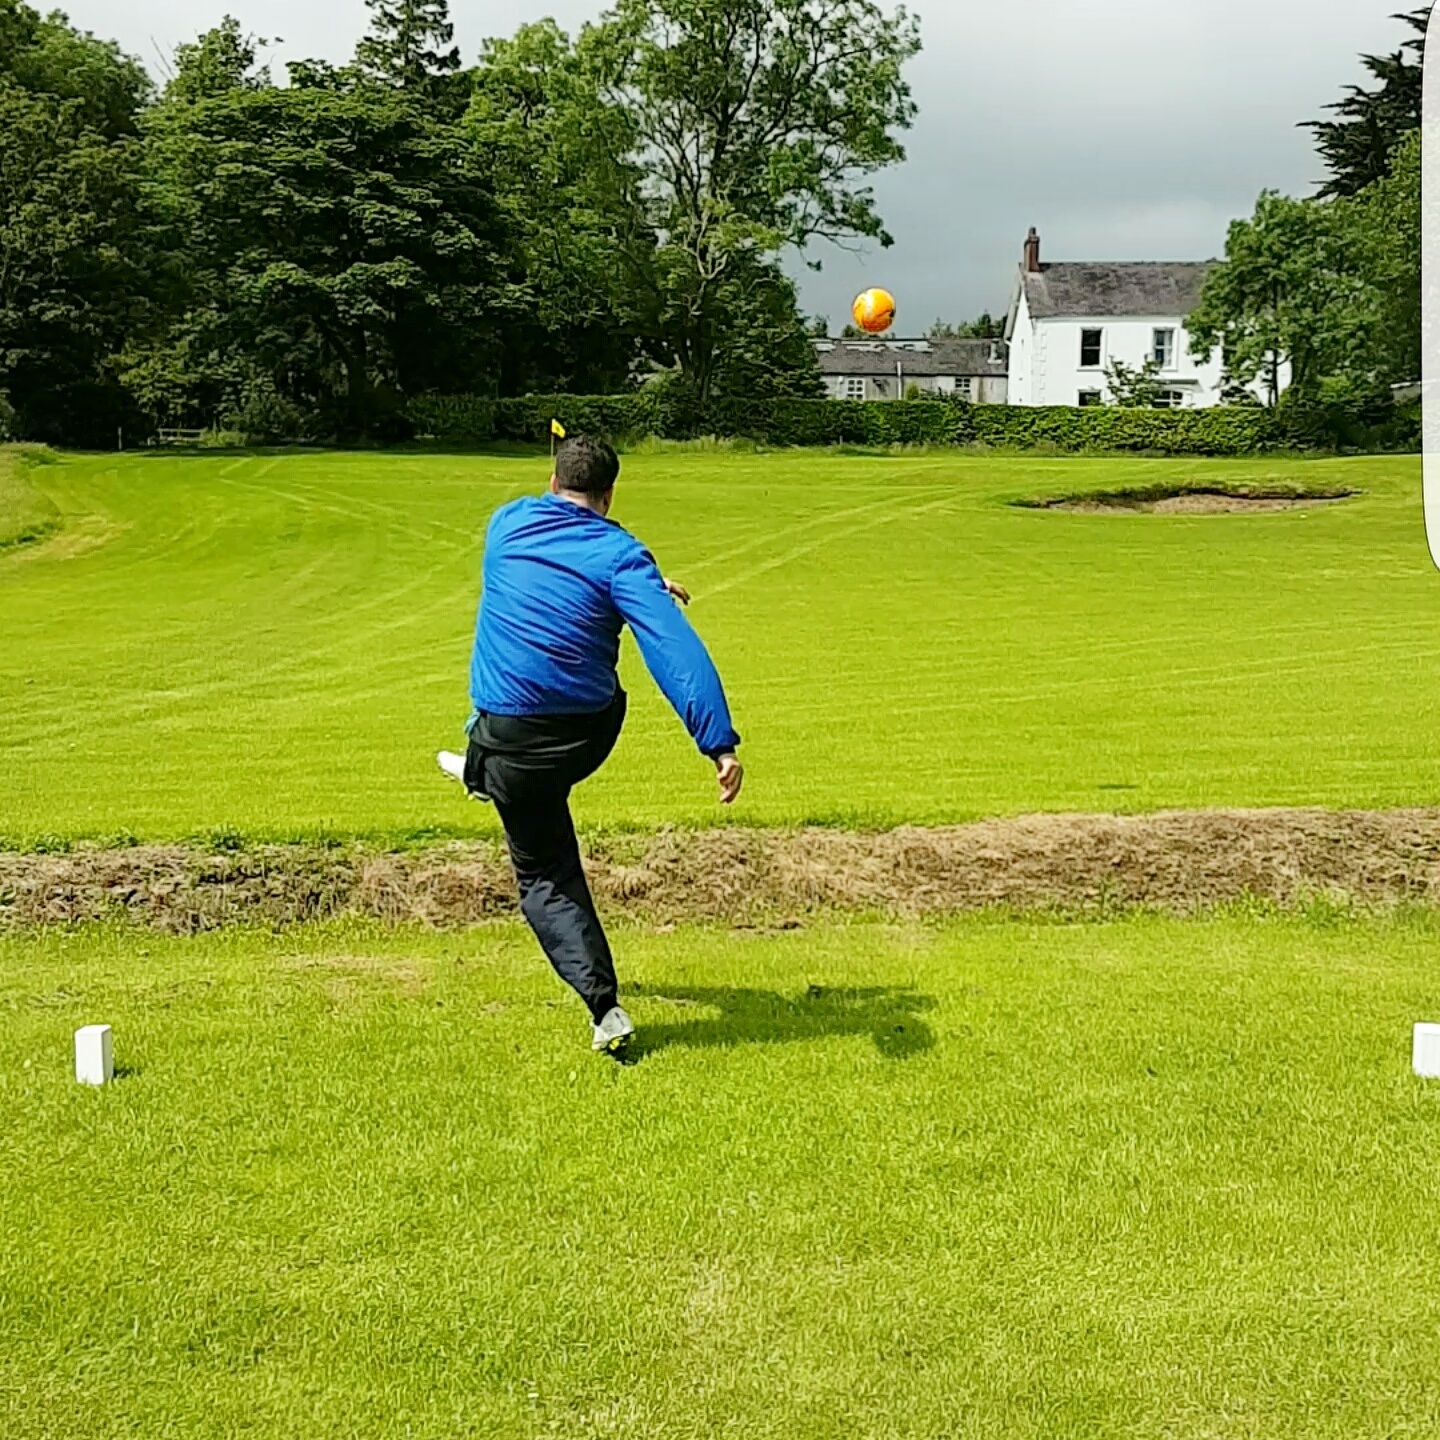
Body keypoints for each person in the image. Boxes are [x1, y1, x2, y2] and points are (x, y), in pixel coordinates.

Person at [438, 435, 743, 1057]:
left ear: (552, 482)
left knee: (545, 874)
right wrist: (718, 743)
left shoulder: (506, 525)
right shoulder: (619, 556)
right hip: (583, 735)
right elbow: (674, 649)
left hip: (510, 738)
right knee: (603, 699)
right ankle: (482, 770)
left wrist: (646, 578)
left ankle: (604, 1007)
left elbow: (565, 547)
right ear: (609, 496)